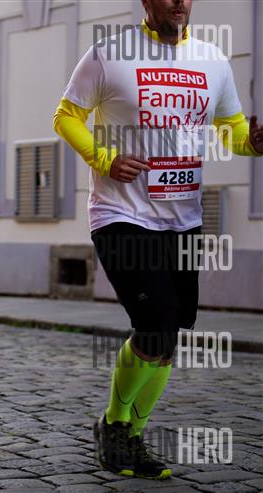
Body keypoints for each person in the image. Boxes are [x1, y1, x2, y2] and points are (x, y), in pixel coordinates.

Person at [53, 0, 263, 480]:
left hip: (183, 219)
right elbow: (65, 117)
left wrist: (251, 143)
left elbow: (229, 130)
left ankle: (132, 434)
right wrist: (103, 158)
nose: (179, 2)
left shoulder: (213, 60)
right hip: (121, 214)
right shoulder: (109, 54)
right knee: (155, 322)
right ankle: (113, 425)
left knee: (169, 338)